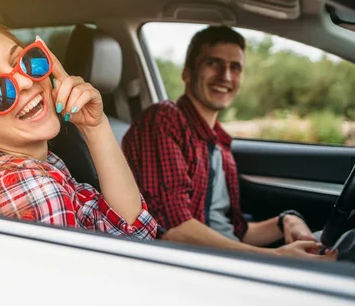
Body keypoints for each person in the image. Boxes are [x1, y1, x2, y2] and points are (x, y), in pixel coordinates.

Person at [0, 20, 158, 240]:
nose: (24, 81)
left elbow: (130, 230)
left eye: (24, 60)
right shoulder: (32, 188)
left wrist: (95, 127)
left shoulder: (13, 169)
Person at [122, 25, 335, 259]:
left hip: (224, 256)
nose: (225, 76)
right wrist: (275, 258)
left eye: (235, 67)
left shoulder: (219, 143)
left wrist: (287, 220)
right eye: (213, 63)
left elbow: (235, 231)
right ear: (187, 73)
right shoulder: (164, 119)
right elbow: (175, 229)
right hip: (192, 262)